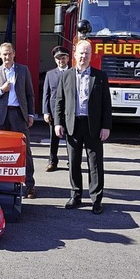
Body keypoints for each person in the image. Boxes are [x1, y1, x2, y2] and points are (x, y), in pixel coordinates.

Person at [54, 40, 111, 214]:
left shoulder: (100, 76)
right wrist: (58, 123)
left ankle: (96, 199)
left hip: (93, 126)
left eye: (87, 53)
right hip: (73, 125)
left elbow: (106, 104)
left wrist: (106, 126)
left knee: (95, 164)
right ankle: (76, 195)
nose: (83, 56)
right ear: (75, 55)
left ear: (91, 55)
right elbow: (59, 102)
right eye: (81, 53)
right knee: (73, 163)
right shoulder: (66, 76)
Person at [0, 42, 37, 198]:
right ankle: (3, 184)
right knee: (2, 152)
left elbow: (30, 94)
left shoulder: (23, 70)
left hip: (18, 115)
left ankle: (29, 184)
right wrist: (1, 90)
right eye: (4, 54)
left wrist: (30, 115)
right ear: (0, 56)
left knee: (24, 149)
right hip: (1, 116)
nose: (7, 57)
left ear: (14, 54)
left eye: (9, 53)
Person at [42, 46, 70, 172]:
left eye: (63, 58)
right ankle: (52, 162)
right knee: (54, 139)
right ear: (55, 60)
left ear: (68, 58)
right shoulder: (50, 74)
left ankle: (72, 162)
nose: (61, 61)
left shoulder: (73, 72)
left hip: (70, 112)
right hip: (54, 112)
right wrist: (46, 111)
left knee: (71, 139)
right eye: (58, 58)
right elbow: (46, 94)